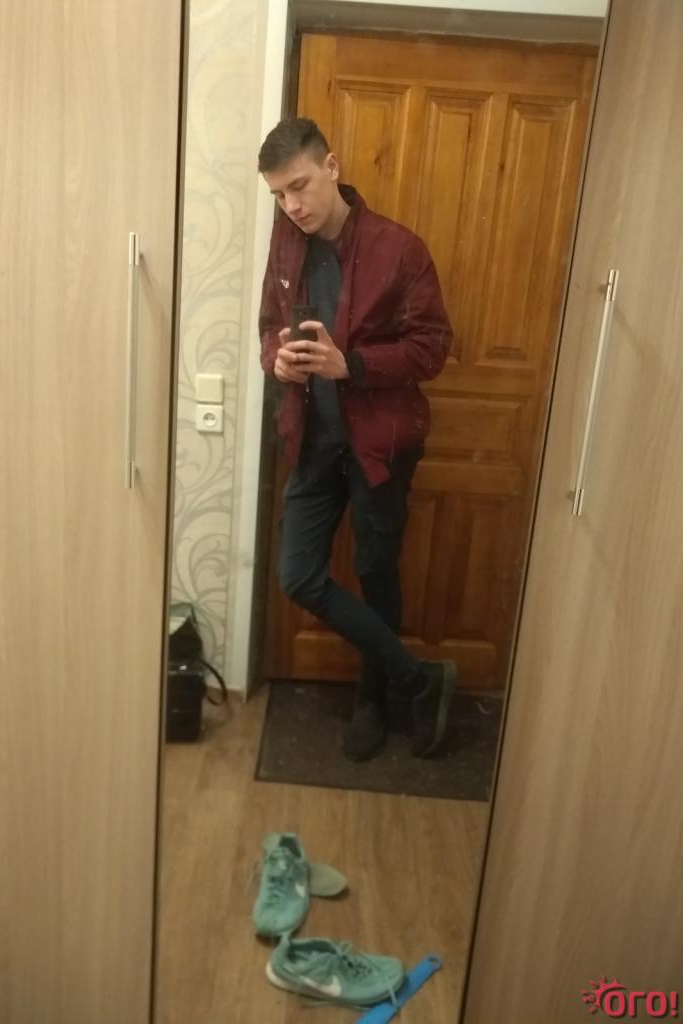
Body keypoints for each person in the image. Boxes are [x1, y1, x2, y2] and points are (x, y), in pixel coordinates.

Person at [258, 117, 456, 762]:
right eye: (279, 195)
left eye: (299, 186)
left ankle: (373, 699)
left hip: (379, 447)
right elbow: (268, 327)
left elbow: (433, 347)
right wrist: (278, 362)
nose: (292, 206)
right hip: (312, 442)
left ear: (332, 167)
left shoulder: (400, 249)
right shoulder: (285, 243)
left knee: (375, 571)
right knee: (298, 576)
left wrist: (355, 366)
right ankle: (419, 680)